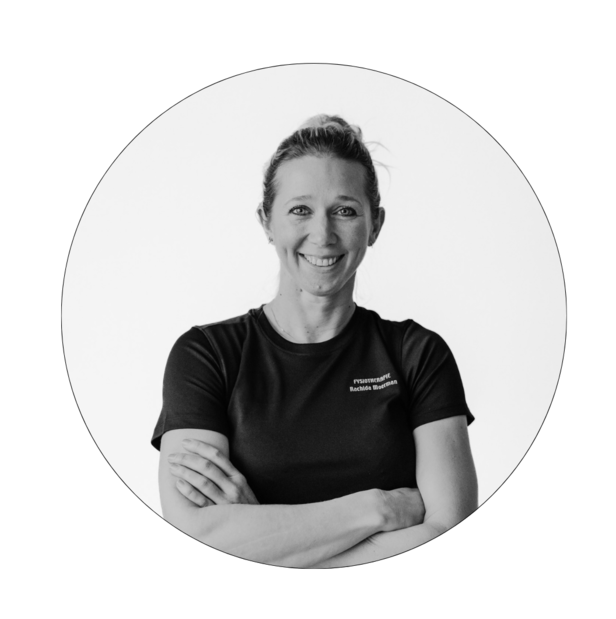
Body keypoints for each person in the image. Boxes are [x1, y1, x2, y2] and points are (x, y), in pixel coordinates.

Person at [151, 114, 478, 567]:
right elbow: (197, 532)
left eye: (345, 210)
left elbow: (447, 528)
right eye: (300, 210)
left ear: (375, 225)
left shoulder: (418, 355)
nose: (322, 235)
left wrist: (264, 539)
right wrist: (378, 509)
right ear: (267, 221)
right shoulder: (206, 356)